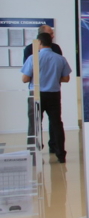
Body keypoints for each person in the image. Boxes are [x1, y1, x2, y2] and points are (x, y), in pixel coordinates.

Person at [21, 33, 72, 163]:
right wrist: (53, 78)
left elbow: (25, 79)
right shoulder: (60, 58)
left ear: (39, 42)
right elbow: (66, 78)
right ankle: (60, 154)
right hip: (54, 94)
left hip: (36, 95)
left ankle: (33, 154)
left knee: (34, 125)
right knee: (56, 124)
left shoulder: (33, 58)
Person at [24, 25, 62, 150]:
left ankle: (54, 146)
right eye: (50, 34)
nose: (53, 36)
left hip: (52, 90)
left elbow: (59, 71)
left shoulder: (56, 48)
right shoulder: (29, 50)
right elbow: (28, 72)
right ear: (42, 36)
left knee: (54, 122)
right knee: (35, 122)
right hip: (37, 91)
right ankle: (34, 149)